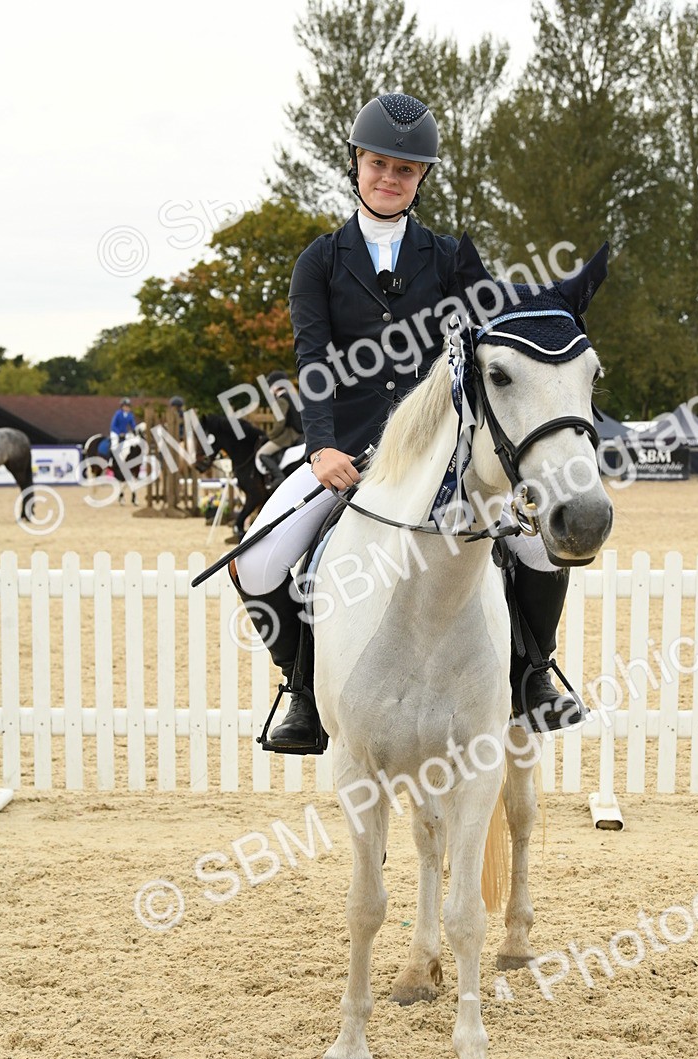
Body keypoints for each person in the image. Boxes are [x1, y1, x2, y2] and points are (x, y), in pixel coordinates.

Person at [233, 93, 580, 752]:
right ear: (357, 164)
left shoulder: (449, 258)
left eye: (405, 170)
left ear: (422, 180)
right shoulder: (320, 261)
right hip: (347, 451)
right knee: (256, 561)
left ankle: (535, 675)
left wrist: (560, 307)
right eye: (378, 164)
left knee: (538, 544)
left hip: (438, 451)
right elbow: (312, 359)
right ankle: (300, 690)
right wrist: (320, 448)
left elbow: (495, 330)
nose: (389, 179)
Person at [258, 370, 304, 458]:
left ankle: (277, 472)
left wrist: (269, 436)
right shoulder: (293, 396)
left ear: (275, 386)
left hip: (290, 435)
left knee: (261, 454)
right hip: (301, 433)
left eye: (270, 385)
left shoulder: (281, 400)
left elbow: (280, 424)